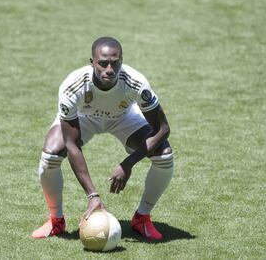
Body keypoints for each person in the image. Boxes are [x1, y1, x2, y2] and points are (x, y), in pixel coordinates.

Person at [31, 36, 174, 241]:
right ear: (92, 63)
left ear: (122, 61)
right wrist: (93, 195)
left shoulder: (136, 82)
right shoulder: (72, 86)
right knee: (50, 156)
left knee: (165, 157)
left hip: (123, 118)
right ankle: (56, 220)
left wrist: (128, 163)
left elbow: (163, 128)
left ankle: (142, 218)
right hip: (84, 117)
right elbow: (71, 144)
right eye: (103, 63)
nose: (109, 69)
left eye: (115, 63)